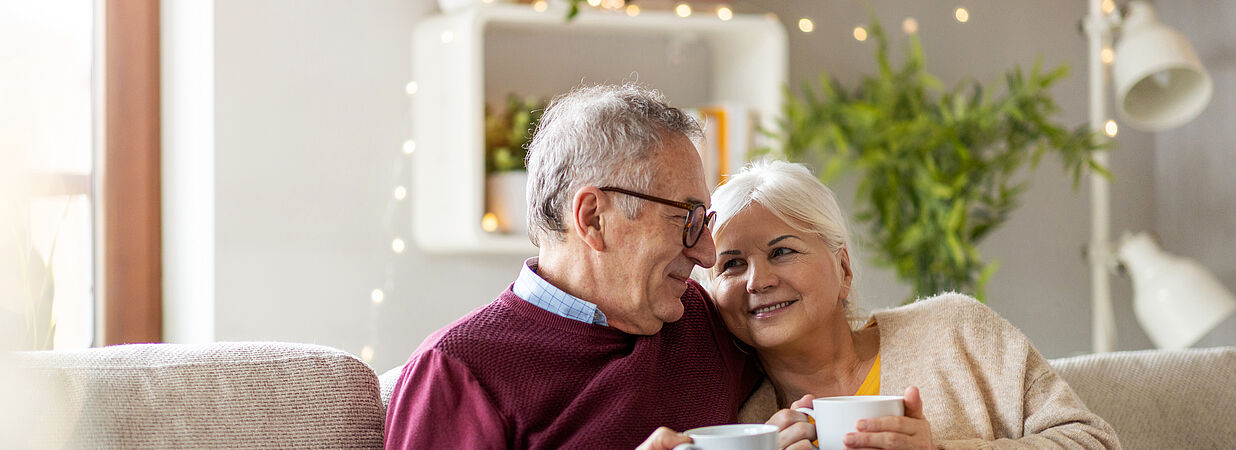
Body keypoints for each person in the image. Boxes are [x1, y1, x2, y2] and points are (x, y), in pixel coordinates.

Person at [383, 84, 761, 449]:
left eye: (704, 220)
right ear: (593, 218)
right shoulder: (457, 370)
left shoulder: (702, 319)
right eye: (687, 218)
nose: (707, 255)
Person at [702, 160, 1121, 449]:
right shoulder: (743, 424)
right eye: (732, 264)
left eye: (782, 252)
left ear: (843, 270)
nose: (758, 281)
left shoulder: (956, 330)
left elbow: (1094, 441)